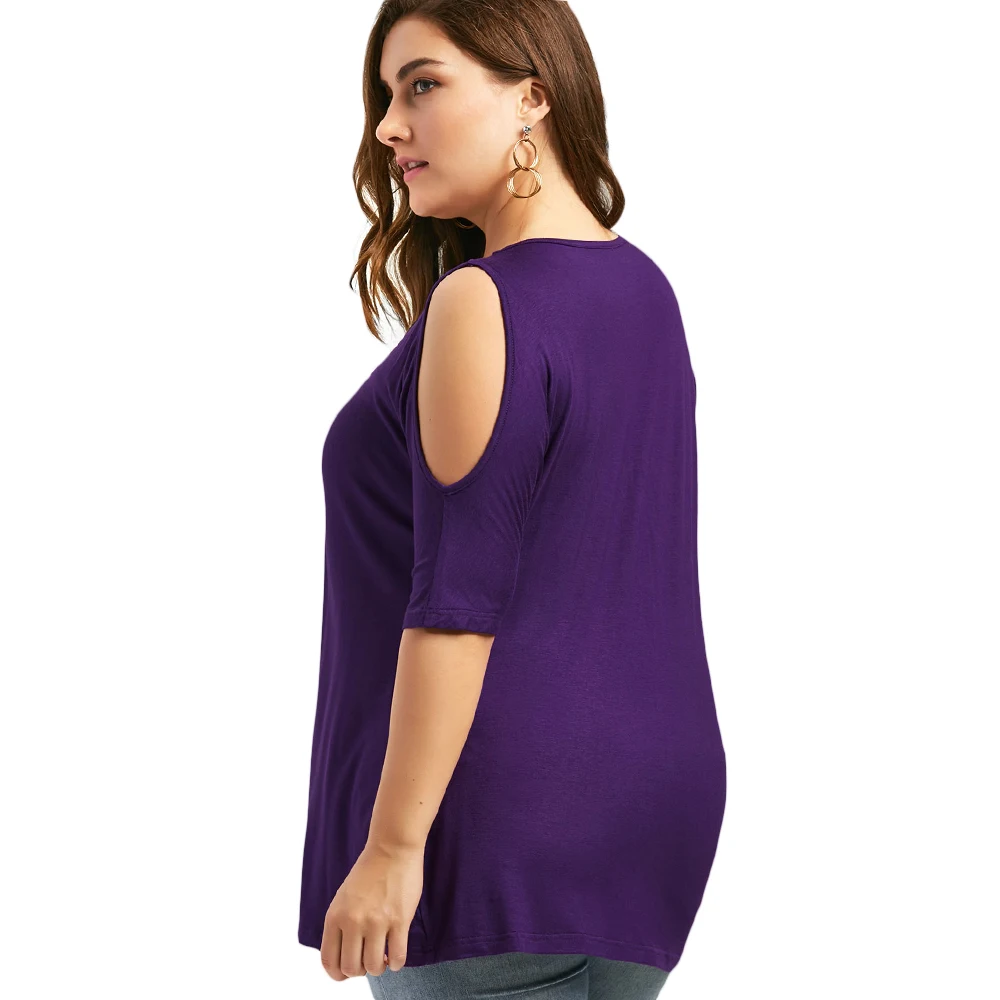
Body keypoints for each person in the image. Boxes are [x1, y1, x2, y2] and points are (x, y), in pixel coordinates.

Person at [297, 2, 727, 997]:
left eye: (422, 84)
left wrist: (392, 847)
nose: (388, 126)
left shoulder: (482, 301)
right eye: (385, 95)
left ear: (532, 95)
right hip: (651, 818)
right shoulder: (645, 291)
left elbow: (458, 602)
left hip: (487, 827)